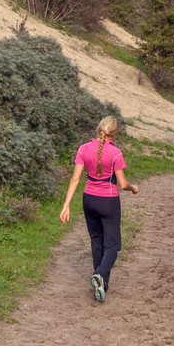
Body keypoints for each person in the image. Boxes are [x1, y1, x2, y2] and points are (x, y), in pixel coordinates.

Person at [59, 115, 139, 302]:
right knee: (112, 245)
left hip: (88, 200)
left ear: (98, 129)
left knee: (96, 241)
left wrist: (66, 205)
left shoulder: (83, 149)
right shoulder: (116, 153)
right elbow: (122, 183)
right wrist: (133, 188)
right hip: (109, 201)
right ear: (115, 133)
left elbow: (75, 179)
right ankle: (100, 275)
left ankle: (102, 285)